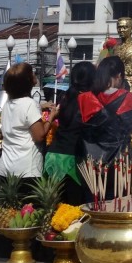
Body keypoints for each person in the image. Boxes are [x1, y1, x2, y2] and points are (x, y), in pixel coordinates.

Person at [43, 61, 95, 205]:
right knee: (74, 211)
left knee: (53, 209)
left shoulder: (65, 96)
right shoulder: (90, 100)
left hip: (54, 156)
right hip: (72, 160)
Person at [79, 57, 132, 170]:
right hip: (118, 160)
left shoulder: (86, 98)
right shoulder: (127, 98)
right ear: (118, 76)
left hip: (91, 160)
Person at [0, 62, 49, 186]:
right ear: (28, 81)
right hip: (26, 170)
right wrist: (51, 118)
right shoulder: (30, 104)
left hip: (6, 167)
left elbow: (21, 114)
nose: (34, 75)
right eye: (32, 73)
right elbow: (39, 136)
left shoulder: (7, 104)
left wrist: (40, 107)